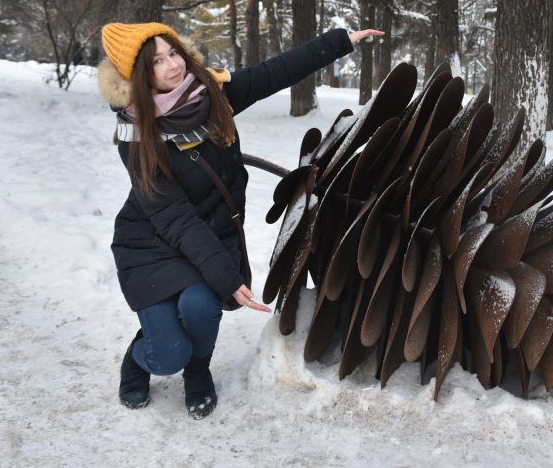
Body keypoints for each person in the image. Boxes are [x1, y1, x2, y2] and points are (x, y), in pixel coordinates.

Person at [97, 21, 383, 419]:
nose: (172, 66)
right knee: (167, 355)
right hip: (151, 246)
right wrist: (229, 278)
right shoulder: (136, 136)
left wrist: (338, 42)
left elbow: (275, 72)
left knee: (201, 308)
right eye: (157, 62)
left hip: (207, 236)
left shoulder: (213, 94)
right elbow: (175, 219)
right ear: (138, 76)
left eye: (174, 53)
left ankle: (198, 371)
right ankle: (139, 358)